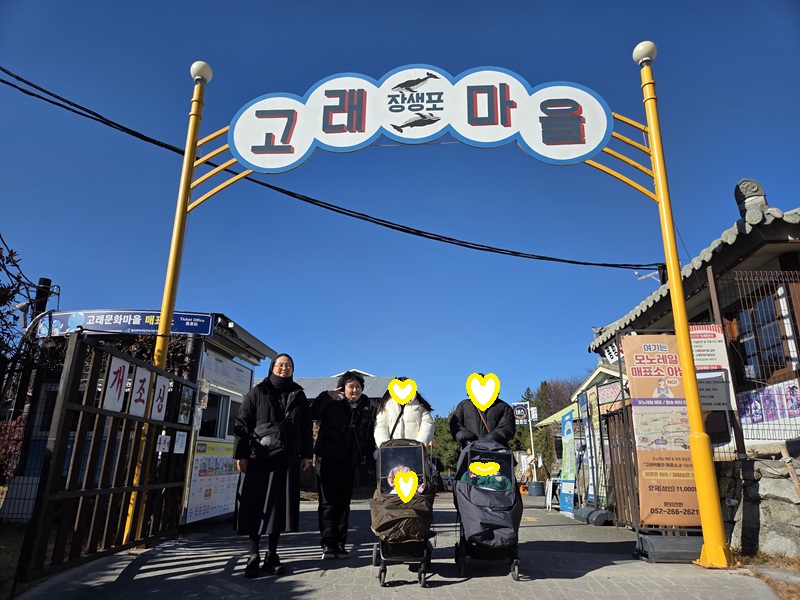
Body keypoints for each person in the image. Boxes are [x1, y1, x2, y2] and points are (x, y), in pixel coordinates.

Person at [233, 353, 313, 578]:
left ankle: (272, 555)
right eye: (280, 365)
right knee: (255, 505)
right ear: (272, 367)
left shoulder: (298, 394)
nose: (284, 368)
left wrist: (307, 455)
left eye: (288, 365)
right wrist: (241, 454)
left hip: (286, 459)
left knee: (279, 507)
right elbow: (242, 422)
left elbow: (306, 426)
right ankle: (253, 555)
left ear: (293, 369)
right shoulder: (258, 391)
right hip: (259, 458)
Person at [310, 370, 375, 559]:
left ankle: (340, 544)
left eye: (358, 386)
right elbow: (312, 413)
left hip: (349, 461)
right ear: (342, 388)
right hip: (327, 460)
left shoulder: (365, 408)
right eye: (350, 386)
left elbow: (368, 437)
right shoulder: (332, 403)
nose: (354, 390)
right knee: (327, 504)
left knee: (343, 505)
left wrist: (369, 461)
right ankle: (328, 544)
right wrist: (326, 396)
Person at [449, 380, 515, 448]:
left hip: (473, 449)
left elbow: (456, 426)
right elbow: (507, 428)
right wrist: (489, 440)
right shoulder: (504, 406)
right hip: (493, 448)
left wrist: (470, 440)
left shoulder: (464, 405)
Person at [374, 377, 435, 450]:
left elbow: (428, 425)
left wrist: (419, 446)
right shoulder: (386, 405)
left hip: (413, 452)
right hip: (390, 452)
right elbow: (380, 426)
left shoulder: (420, 406)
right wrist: (385, 446)